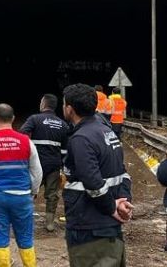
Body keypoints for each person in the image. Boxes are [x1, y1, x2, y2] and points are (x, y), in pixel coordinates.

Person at [61, 84, 133, 266]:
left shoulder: (81, 139)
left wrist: (111, 208)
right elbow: (122, 172)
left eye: (64, 104)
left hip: (90, 227)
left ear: (69, 109)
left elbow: (93, 183)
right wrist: (123, 201)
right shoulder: (106, 131)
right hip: (108, 228)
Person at [0, 104, 42, 267]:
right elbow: (37, 172)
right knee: (25, 238)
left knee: (0, 237)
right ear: (13, 119)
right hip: (22, 198)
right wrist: (32, 191)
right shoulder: (27, 142)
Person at [20, 94, 71, 231]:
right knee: (52, 194)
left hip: (36, 164)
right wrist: (63, 167)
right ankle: (49, 223)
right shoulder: (63, 124)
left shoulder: (34, 119)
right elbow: (66, 150)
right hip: (54, 165)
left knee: (29, 191)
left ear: (43, 104)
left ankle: (25, 221)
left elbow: (22, 135)